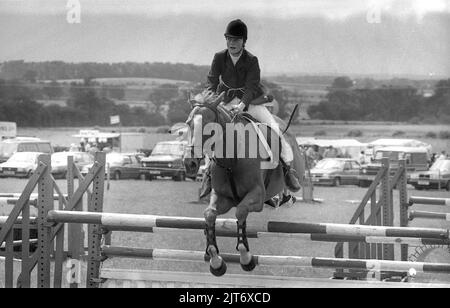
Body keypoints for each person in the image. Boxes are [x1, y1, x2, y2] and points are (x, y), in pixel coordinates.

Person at [199, 19, 301, 198]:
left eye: (236, 40)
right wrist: (209, 98)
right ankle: (208, 173)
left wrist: (242, 105)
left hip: (251, 102)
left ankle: (287, 170)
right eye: (229, 39)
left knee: (274, 129)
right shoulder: (219, 57)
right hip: (227, 101)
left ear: (243, 42)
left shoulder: (252, 60)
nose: (232, 43)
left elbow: (251, 87)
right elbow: (212, 81)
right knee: (212, 132)